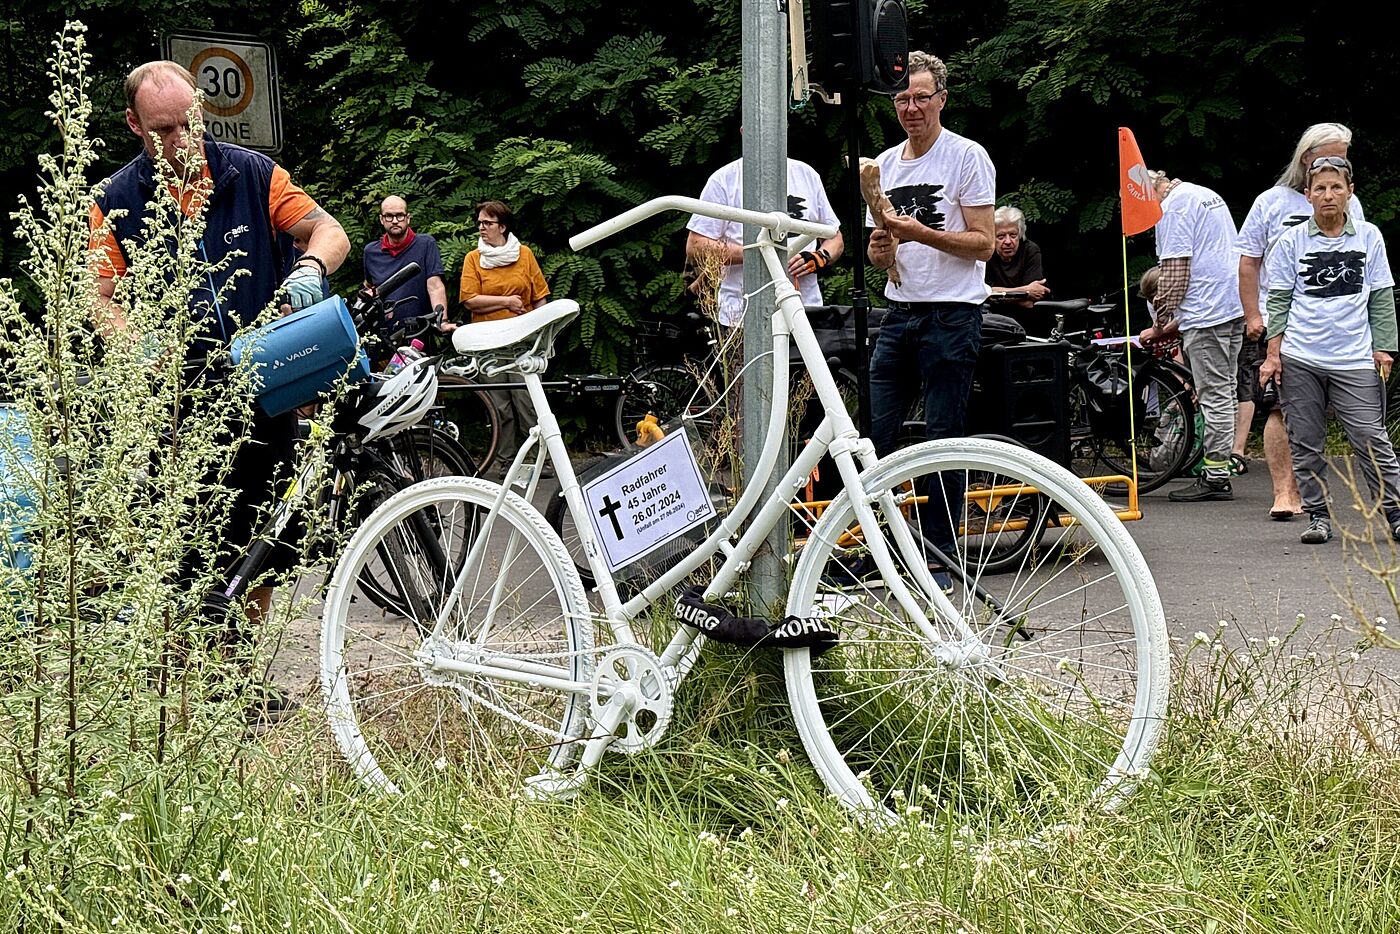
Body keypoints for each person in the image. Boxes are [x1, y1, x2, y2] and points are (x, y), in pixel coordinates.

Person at [90, 61, 349, 715]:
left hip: (266, 380)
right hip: (177, 401)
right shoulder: (112, 201)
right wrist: (135, 344)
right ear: (134, 126)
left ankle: (239, 676)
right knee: (186, 545)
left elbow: (329, 230)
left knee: (267, 537)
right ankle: (188, 686)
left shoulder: (254, 174)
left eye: (191, 123)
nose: (182, 141)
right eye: (164, 130)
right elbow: (99, 297)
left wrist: (310, 270)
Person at [865, 50, 995, 583]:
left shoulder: (966, 157)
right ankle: (883, 545)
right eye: (902, 98)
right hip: (899, 311)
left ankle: (940, 555)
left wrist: (918, 232)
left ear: (942, 99)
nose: (912, 107)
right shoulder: (885, 163)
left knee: (943, 434)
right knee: (876, 432)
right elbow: (883, 251)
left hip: (953, 312)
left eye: (921, 97)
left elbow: (985, 244)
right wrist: (880, 249)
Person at [1260, 156, 1400, 545]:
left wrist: (1384, 348)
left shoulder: (1369, 235)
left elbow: (1382, 295)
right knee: (1305, 440)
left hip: (1354, 356)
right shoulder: (1292, 241)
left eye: (1336, 187)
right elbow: (1279, 300)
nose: (1328, 195)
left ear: (1349, 192)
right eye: (1319, 189)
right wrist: (1273, 355)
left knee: (1371, 438)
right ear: (1307, 196)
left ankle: (1395, 512)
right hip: (1301, 356)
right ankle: (1319, 516)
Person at [1237, 122, 1366, 521]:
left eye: (1343, 158)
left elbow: (1362, 259)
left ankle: (1312, 493)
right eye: (1329, 154)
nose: (1336, 163)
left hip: (1335, 329)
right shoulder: (1271, 202)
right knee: (1278, 408)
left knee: (1315, 415)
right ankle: (1284, 492)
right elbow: (1248, 261)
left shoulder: (1350, 204)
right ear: (1306, 157)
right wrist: (1253, 314)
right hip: (1282, 321)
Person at [1138, 169, 1243, 503]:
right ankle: (1218, 469)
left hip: (1207, 313)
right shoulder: (1202, 193)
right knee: (1224, 390)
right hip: (1230, 305)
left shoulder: (1173, 209)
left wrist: (1160, 323)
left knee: (1213, 395)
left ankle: (1215, 477)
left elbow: (1175, 272)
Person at [685, 155, 845, 329]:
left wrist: (819, 257)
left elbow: (834, 236)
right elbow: (696, 246)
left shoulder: (806, 174)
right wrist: (761, 252)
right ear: (743, 129)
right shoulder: (725, 178)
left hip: (806, 314)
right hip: (741, 319)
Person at [458, 199, 552, 472]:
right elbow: (469, 299)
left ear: (503, 225)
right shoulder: (473, 259)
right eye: (480, 223)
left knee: (527, 399)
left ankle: (539, 459)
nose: (482, 228)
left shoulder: (524, 255)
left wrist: (540, 332)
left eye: (487, 223)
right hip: (488, 339)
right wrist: (506, 302)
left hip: (523, 339)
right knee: (499, 403)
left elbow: (540, 297)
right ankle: (506, 460)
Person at [361, 195, 451, 337]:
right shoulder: (370, 252)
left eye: (400, 216)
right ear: (381, 219)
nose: (395, 221)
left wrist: (442, 321)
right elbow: (369, 288)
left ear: (408, 218)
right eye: (389, 216)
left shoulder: (425, 244)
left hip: (420, 331)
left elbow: (435, 286)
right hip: (385, 335)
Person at [985, 205, 1048, 303]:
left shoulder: (1030, 250)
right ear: (992, 237)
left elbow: (1031, 300)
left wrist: (997, 294)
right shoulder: (986, 253)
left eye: (1013, 235)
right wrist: (1025, 291)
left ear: (1020, 234)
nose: (1008, 241)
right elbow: (983, 293)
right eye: (1001, 236)